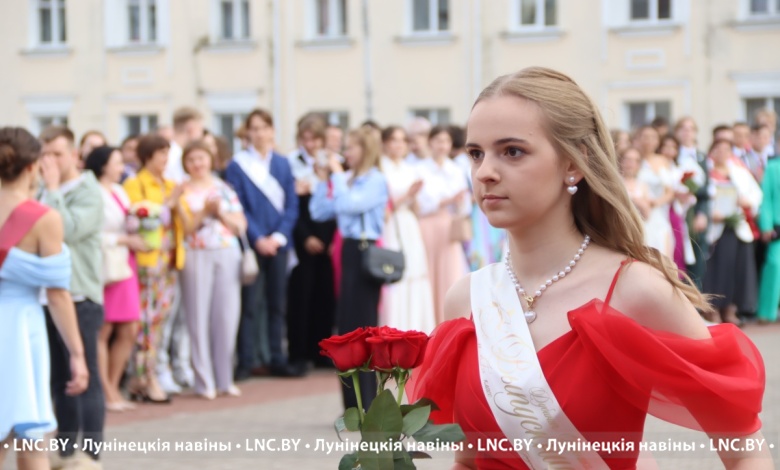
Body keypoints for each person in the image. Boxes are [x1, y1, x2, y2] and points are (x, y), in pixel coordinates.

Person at [408, 67, 771, 469]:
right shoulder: (465, 299)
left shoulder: (634, 289)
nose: (484, 172)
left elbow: (745, 451)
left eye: (512, 151)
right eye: (476, 153)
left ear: (573, 163)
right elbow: (469, 459)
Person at [0, 127, 88, 470]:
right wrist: (78, 354)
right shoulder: (44, 219)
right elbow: (58, 295)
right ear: (32, 167)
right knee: (31, 441)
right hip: (21, 328)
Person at [39, 126, 106, 468]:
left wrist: (51, 190)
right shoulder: (39, 190)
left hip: (81, 294)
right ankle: (66, 451)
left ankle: (91, 454)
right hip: (45, 297)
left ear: (74, 156)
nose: (49, 161)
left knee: (86, 375)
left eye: (57, 154)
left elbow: (65, 230)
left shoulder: (89, 191)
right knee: (60, 379)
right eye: (44, 154)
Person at [310, 127, 388, 412]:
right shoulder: (349, 180)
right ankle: (352, 403)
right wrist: (323, 180)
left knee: (364, 326)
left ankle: (369, 401)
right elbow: (320, 211)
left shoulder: (374, 180)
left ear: (365, 150)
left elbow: (348, 205)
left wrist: (336, 176)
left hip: (366, 252)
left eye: (351, 148)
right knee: (347, 328)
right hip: (349, 252)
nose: (345, 154)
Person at [225, 109, 301, 379]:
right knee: (250, 304)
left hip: (279, 243)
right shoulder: (237, 165)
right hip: (252, 243)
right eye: (253, 128)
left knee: (277, 304)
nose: (258, 133)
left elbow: (292, 204)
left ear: (271, 131)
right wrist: (257, 238)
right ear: (247, 133)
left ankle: (276, 357)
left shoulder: (282, 164)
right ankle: (246, 360)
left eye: (263, 127)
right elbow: (239, 206)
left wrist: (278, 237)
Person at [123, 133, 190, 404]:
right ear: (147, 156)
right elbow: (142, 221)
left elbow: (186, 223)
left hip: (169, 262)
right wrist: (171, 202)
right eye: (160, 153)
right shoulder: (135, 184)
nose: (165, 159)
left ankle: (147, 375)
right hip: (148, 263)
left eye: (167, 154)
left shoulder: (170, 184)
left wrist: (179, 203)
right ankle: (144, 377)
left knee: (159, 322)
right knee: (146, 323)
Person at [180, 141, 246, 399]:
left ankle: (224, 378)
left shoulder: (223, 188)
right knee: (197, 317)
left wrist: (220, 214)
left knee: (227, 316)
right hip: (196, 253)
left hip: (226, 251)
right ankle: (203, 380)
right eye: (192, 159)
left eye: (202, 158)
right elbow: (184, 228)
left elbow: (240, 224)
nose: (198, 164)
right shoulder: (182, 191)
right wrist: (203, 213)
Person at [84, 146, 143, 413]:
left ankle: (113, 384)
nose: (122, 167)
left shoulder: (119, 191)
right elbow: (91, 233)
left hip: (125, 263)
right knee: (104, 328)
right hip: (105, 265)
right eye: (117, 163)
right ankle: (105, 391)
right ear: (103, 165)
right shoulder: (92, 191)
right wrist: (122, 239)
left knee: (129, 328)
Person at [286, 114, 338, 370]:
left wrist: (329, 240)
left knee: (324, 296)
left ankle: (321, 351)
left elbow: (336, 204)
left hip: (327, 237)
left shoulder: (333, 163)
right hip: (303, 236)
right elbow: (292, 206)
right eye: (305, 138)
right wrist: (306, 237)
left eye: (315, 138)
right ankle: (299, 353)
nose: (310, 143)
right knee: (300, 295)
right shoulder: (290, 163)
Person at [159, 107, 203, 392]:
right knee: (169, 313)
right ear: (189, 130)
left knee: (185, 313)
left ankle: (181, 366)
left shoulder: (181, 161)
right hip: (170, 247)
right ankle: (165, 366)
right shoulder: (173, 162)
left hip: (186, 245)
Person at [380, 125, 435, 333]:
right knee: (395, 274)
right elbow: (384, 208)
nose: (399, 144)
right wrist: (406, 195)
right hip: (391, 225)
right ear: (385, 143)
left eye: (403, 140)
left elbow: (417, 207)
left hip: (409, 223)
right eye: (394, 140)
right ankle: (393, 328)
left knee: (415, 272)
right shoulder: (380, 169)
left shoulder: (411, 168)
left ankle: (415, 329)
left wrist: (415, 196)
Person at [703, 139, 763, 326]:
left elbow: (755, 194)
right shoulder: (706, 172)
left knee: (739, 269)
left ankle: (731, 309)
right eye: (718, 148)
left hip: (738, 226)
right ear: (711, 151)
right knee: (718, 270)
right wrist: (709, 212)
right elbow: (700, 197)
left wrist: (747, 202)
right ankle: (714, 311)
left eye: (726, 149)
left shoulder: (739, 172)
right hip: (716, 227)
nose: (722, 152)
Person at [416, 126, 472, 324]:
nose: (442, 146)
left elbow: (464, 206)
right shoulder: (420, 169)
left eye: (446, 141)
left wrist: (458, 201)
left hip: (448, 227)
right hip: (427, 226)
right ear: (430, 142)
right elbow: (420, 204)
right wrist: (445, 201)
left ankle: (447, 323)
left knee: (449, 273)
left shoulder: (456, 170)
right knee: (427, 273)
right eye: (438, 140)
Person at [674, 117, 710, 290]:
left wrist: (702, 214)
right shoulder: (673, 155)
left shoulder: (702, 158)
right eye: (683, 128)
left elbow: (707, 191)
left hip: (695, 212)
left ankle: (696, 301)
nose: (687, 132)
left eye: (691, 128)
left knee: (698, 254)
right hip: (677, 210)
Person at [636, 125, 675, 259]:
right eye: (645, 137)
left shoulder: (662, 161)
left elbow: (670, 191)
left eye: (653, 137)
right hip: (637, 208)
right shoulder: (634, 159)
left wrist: (656, 202)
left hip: (657, 210)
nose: (649, 141)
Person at [757, 154, 780, 325]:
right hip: (777, 226)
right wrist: (766, 226)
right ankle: (766, 311)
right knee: (774, 265)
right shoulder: (773, 167)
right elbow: (766, 198)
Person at [617, 147, 651, 220]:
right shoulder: (615, 182)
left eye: (635, 161)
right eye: (627, 159)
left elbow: (646, 214)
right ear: (621, 161)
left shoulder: (642, 185)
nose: (630, 163)